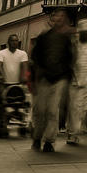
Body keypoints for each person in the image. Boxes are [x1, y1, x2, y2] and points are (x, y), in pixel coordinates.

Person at [30, 8, 74, 152]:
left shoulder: (68, 38)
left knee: (52, 110)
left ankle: (49, 141)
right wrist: (36, 79)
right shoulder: (44, 37)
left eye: (62, 17)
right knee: (41, 110)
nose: (58, 20)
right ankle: (37, 137)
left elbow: (71, 60)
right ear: (52, 20)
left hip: (60, 78)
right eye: (56, 17)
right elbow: (35, 58)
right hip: (44, 78)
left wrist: (68, 80)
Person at [0, 34, 28, 138]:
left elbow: (24, 66)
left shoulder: (22, 53)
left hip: (17, 83)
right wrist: (2, 75)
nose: (15, 42)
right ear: (8, 42)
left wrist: (24, 76)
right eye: (12, 41)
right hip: (3, 83)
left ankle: (21, 124)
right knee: (1, 106)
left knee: (20, 105)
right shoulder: (1, 53)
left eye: (16, 41)